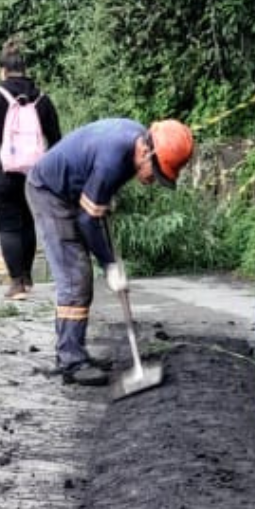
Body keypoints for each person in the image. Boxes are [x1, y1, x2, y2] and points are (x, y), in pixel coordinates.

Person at [25, 117, 195, 386]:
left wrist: (103, 198)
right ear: (145, 152)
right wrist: (110, 265)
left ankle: (74, 351)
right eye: (156, 172)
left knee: (79, 276)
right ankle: (71, 361)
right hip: (50, 192)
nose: (153, 180)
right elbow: (87, 220)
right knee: (75, 277)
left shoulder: (135, 142)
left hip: (73, 190)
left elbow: (96, 203)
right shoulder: (114, 159)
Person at [0, 41, 63, 300]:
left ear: (2, 70)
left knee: (7, 224)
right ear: (25, 69)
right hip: (33, 169)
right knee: (25, 220)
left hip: (0, 168)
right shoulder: (41, 98)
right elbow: (55, 137)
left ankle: (17, 284)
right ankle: (29, 278)